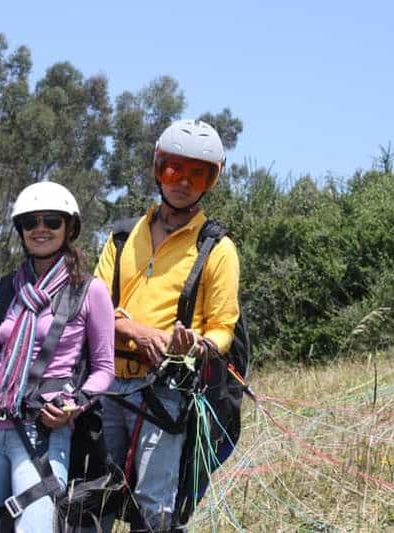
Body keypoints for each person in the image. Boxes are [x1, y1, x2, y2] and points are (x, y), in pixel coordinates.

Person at [0, 181, 116, 532]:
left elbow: (104, 370)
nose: (41, 229)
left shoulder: (89, 291)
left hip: (41, 432)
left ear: (69, 228)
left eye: (51, 220)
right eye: (30, 222)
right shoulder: (6, 289)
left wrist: (72, 404)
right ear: (21, 231)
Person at [94, 119, 240, 531]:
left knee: (154, 505)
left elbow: (223, 328)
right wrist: (139, 333)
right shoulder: (123, 237)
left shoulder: (217, 248)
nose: (184, 183)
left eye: (199, 173)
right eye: (175, 169)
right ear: (159, 168)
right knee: (92, 494)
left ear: (212, 180)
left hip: (166, 392)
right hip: (106, 384)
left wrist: (196, 344)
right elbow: (96, 308)